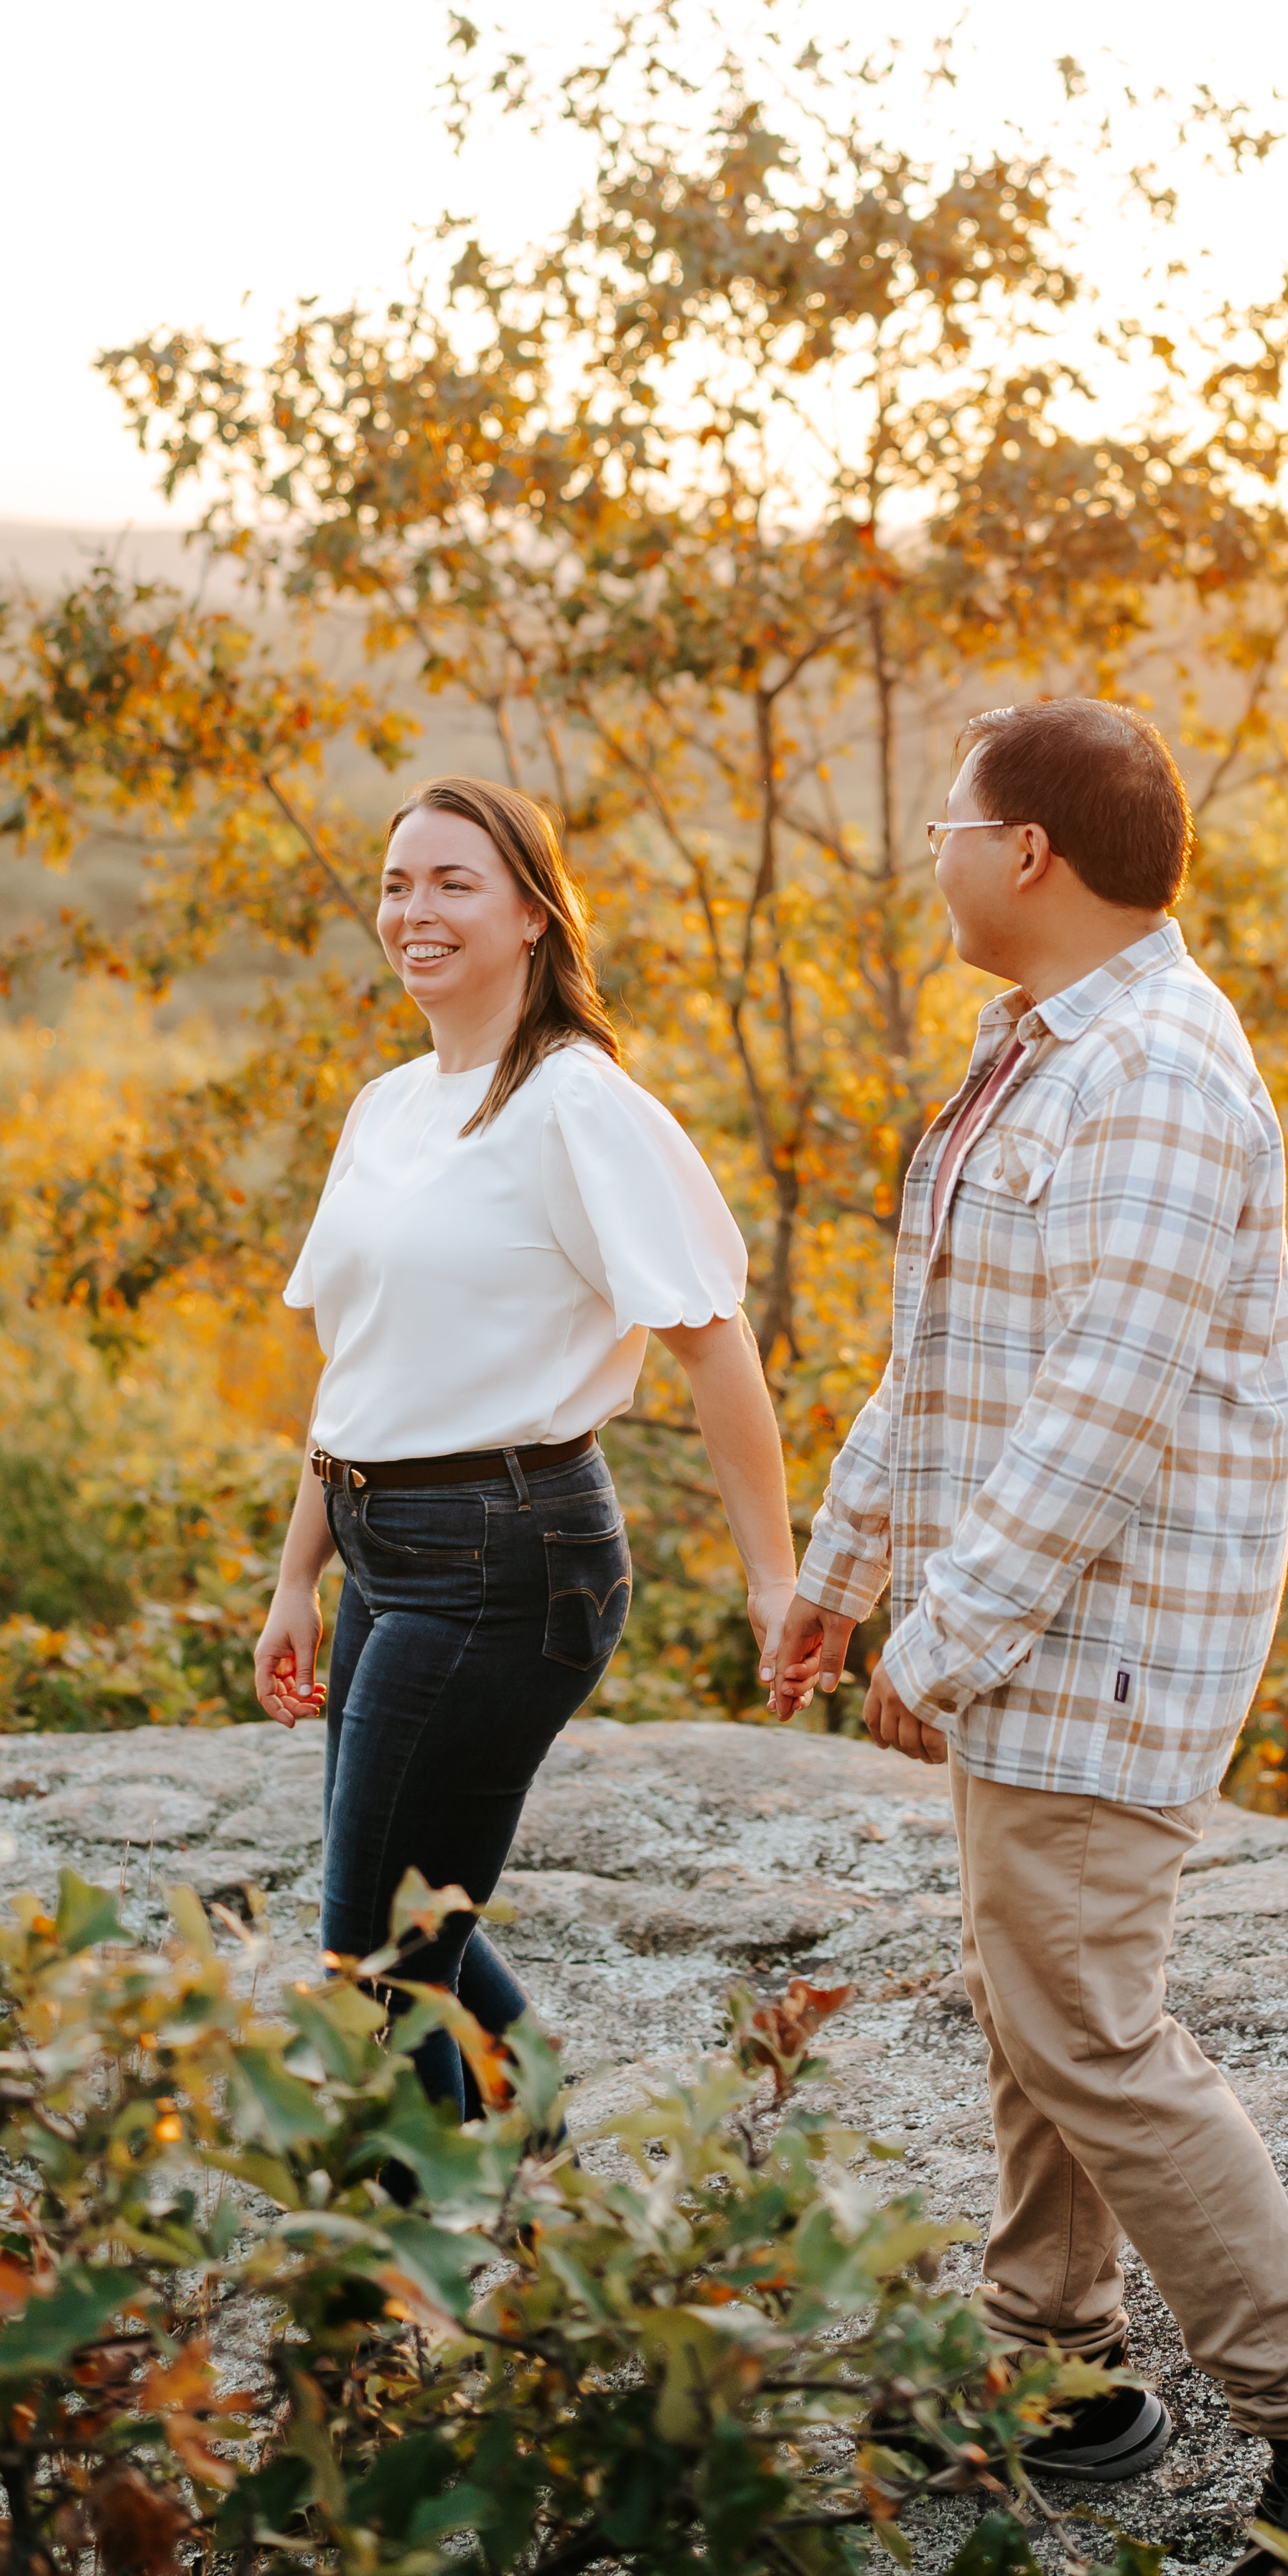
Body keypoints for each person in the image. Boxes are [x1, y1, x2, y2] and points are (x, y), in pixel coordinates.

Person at [765, 697, 1288, 2576]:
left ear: (1029, 853)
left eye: (949, 831)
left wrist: (943, 1630)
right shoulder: (1049, 1056)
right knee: (1032, 1987)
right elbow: (957, 1357)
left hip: (1103, 1640)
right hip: (1044, 1633)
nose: (938, 862)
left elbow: (1101, 1410)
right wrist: (847, 1560)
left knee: (1088, 2025)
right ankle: (1056, 2375)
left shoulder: (1151, 1081)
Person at [256, 775, 797, 2116]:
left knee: (374, 1948)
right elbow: (360, 1376)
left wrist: (776, 1582)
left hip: (509, 1560)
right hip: (386, 1550)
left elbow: (713, 1340)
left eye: (454, 884)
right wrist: (296, 1577)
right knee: (401, 1914)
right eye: (397, 884)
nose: (415, 911)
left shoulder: (575, 1102)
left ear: (535, 920)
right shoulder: (386, 1107)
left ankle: (396, 2270)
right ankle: (526, 2115)